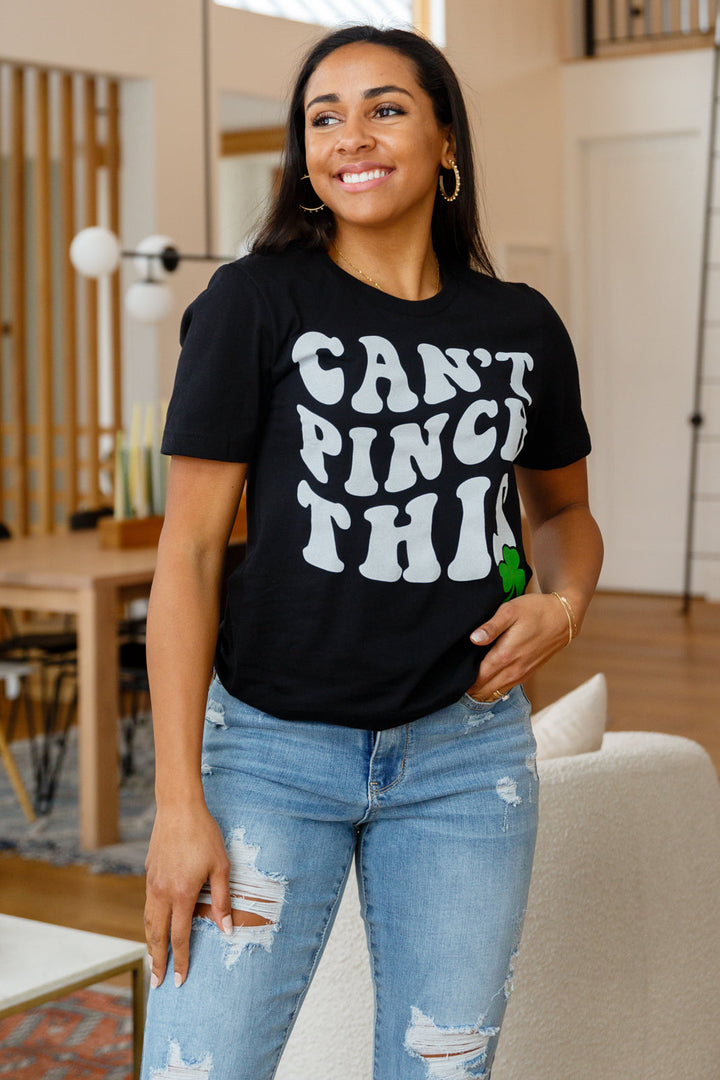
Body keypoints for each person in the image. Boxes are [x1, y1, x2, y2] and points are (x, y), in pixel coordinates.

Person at [141, 23, 603, 1080]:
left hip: (465, 757)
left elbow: (564, 513)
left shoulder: (521, 325)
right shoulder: (253, 303)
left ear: (446, 143)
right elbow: (190, 557)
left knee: (442, 1068)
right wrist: (176, 803)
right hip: (269, 755)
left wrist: (564, 602)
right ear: (305, 155)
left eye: (385, 108)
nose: (351, 135)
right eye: (323, 117)